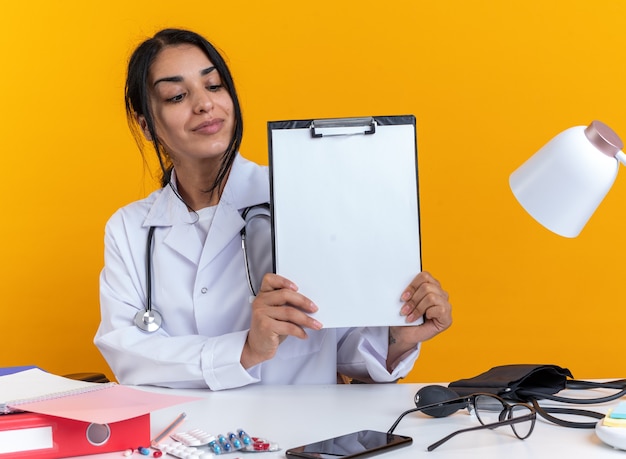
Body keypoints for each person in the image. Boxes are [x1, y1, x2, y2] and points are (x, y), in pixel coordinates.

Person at [94, 28, 452, 390]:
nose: (204, 104)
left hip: (303, 436)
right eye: (177, 96)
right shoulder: (130, 229)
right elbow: (129, 357)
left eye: (214, 86)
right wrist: (245, 350)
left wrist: (401, 334)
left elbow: (342, 348)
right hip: (189, 440)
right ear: (147, 125)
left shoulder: (304, 195)